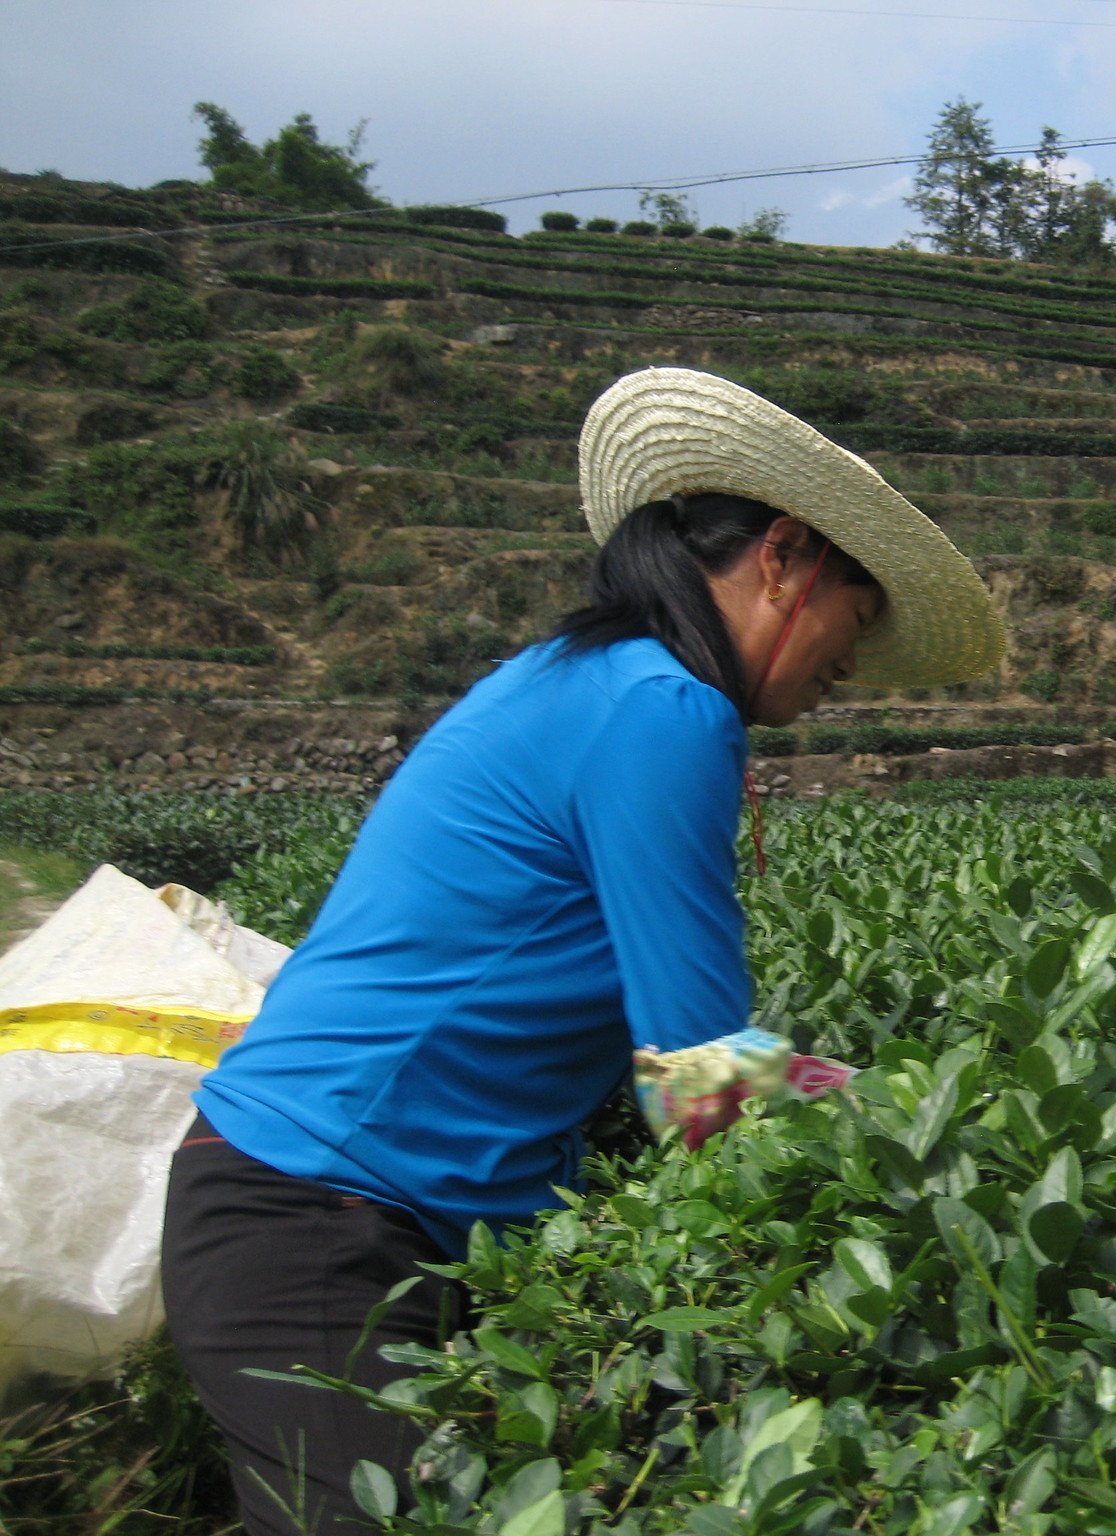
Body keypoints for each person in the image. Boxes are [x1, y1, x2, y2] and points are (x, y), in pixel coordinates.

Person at [160, 368, 1005, 1535]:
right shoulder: (661, 710)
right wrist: (942, 1138)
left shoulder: (582, 678)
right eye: (855, 624)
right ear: (785, 556)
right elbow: (699, 1076)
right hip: (316, 1213)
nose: (849, 669)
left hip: (349, 1212)